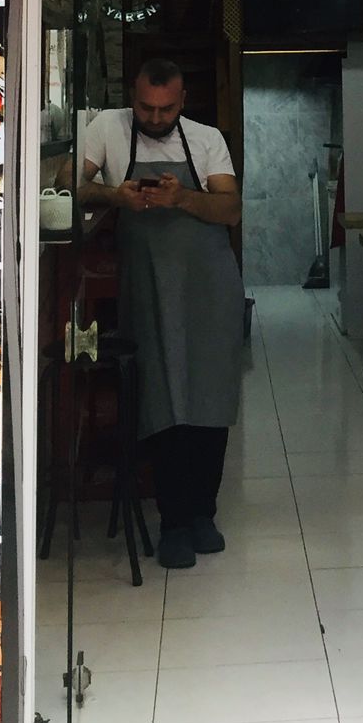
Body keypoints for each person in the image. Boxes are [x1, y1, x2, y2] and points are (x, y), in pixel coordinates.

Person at [79, 58, 244, 570]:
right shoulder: (106, 128)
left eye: (166, 109)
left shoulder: (206, 139)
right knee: (160, 398)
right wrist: (116, 196)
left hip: (209, 285)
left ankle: (203, 514)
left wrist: (182, 198)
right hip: (148, 285)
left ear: (182, 100)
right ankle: (172, 520)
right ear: (133, 97)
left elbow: (231, 209)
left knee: (210, 397)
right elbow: (68, 186)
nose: (154, 118)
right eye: (146, 108)